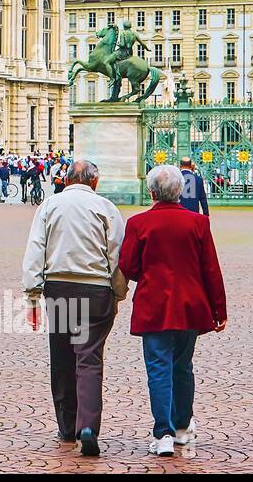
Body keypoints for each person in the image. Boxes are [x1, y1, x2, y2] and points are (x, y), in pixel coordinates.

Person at [119, 165, 228, 457]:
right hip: (190, 306)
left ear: (151, 191)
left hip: (154, 305)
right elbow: (211, 269)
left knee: (158, 370)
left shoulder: (138, 223)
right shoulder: (198, 224)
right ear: (180, 191)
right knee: (183, 367)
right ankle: (181, 428)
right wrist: (219, 309)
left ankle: (163, 433)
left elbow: (128, 267)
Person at [21, 159, 127, 457]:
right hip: (95, 289)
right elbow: (117, 254)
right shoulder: (106, 208)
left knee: (62, 357)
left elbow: (35, 251)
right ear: (95, 181)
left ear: (66, 180)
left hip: (60, 287)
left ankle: (67, 426)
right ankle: (88, 427)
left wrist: (32, 295)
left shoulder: (49, 207)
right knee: (89, 358)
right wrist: (118, 293)